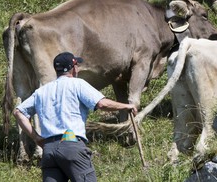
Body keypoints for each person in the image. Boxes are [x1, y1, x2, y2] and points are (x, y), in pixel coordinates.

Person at [13, 51, 137, 182]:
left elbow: (18, 112)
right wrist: (126, 106)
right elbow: (101, 104)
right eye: (77, 65)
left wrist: (37, 138)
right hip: (71, 144)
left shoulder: (41, 91)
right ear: (73, 68)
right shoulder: (77, 84)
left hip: (49, 150)